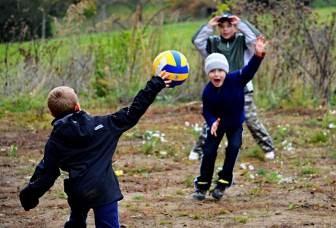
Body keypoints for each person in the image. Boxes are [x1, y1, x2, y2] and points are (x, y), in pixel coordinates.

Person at [19, 72, 172, 227]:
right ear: (77, 106)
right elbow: (134, 110)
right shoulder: (105, 125)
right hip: (104, 190)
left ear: (52, 113)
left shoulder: (55, 141)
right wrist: (155, 84)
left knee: (77, 218)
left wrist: (29, 196)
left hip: (78, 191)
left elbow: (47, 174)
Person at [189, 12, 275, 161]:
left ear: (234, 27)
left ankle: (268, 148)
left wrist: (240, 23)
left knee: (251, 120)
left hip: (242, 90)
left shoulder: (243, 42)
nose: (225, 29)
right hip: (218, 91)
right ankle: (198, 150)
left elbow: (257, 39)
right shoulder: (212, 43)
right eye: (222, 26)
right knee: (212, 121)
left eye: (229, 26)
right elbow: (197, 41)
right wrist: (209, 26)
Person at [192, 36, 267, 201]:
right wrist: (212, 122)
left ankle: (222, 184)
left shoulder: (236, 79)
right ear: (208, 74)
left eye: (220, 71)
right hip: (217, 126)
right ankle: (202, 186)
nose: (216, 74)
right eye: (212, 71)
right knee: (209, 152)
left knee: (233, 149)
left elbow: (250, 69)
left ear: (225, 71)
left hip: (235, 124)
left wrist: (258, 55)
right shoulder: (208, 91)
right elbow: (207, 111)